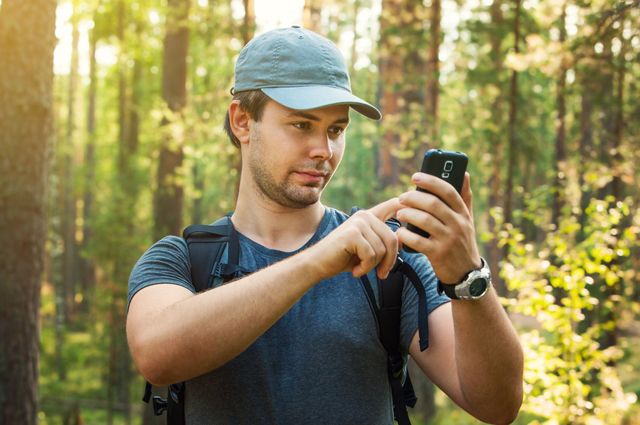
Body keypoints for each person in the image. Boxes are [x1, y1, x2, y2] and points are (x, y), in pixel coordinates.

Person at [126, 26, 523, 424]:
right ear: (242, 121)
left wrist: (468, 275)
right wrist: (317, 261)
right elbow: (156, 355)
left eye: (336, 130)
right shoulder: (182, 260)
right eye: (302, 125)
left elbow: (497, 404)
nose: (325, 150)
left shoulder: (389, 262)